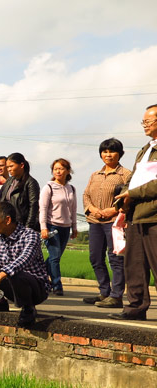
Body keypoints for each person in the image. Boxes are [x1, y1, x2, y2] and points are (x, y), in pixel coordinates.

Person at [110, 104, 157, 321]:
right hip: (136, 214)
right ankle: (136, 308)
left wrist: (133, 193)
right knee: (134, 264)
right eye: (143, 121)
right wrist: (124, 198)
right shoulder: (145, 149)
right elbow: (133, 178)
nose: (144, 125)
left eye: (148, 121)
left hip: (154, 215)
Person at [82, 138, 132, 307]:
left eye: (112, 151)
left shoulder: (126, 174)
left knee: (116, 258)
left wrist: (114, 209)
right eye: (104, 151)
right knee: (95, 257)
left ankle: (116, 296)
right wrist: (92, 209)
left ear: (120, 153)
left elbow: (129, 196)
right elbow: (86, 195)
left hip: (114, 222)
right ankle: (104, 292)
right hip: (94, 221)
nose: (108, 155)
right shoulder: (95, 174)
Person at [39, 158, 78, 296]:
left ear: (68, 171)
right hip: (52, 226)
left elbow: (73, 209)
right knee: (54, 257)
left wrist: (74, 227)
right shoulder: (48, 187)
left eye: (61, 169)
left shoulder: (71, 188)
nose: (58, 171)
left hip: (65, 227)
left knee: (55, 257)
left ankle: (39, 276)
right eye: (55, 169)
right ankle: (56, 285)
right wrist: (43, 227)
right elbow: (43, 209)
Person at [0, 152, 40, 232]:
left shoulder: (31, 183)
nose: (9, 169)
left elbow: (33, 207)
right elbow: (0, 197)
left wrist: (28, 228)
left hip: (22, 225)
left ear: (21, 165)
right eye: (7, 167)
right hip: (7, 223)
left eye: (11, 166)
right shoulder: (9, 181)